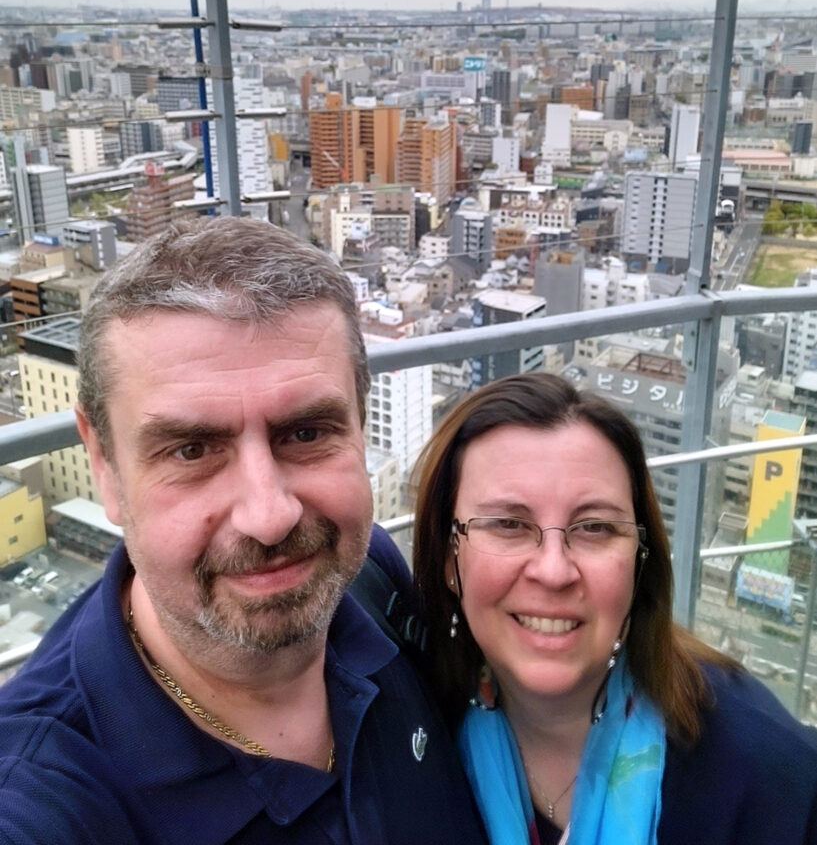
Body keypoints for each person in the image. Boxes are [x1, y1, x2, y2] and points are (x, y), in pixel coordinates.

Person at [0, 216, 487, 845]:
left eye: (307, 433)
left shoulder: (368, 575)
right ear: (104, 465)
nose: (270, 515)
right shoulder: (46, 800)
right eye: (191, 450)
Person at [413, 372, 817, 845]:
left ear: (639, 561)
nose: (553, 571)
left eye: (595, 528)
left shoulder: (771, 782)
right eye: (508, 524)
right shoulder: (410, 743)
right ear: (449, 558)